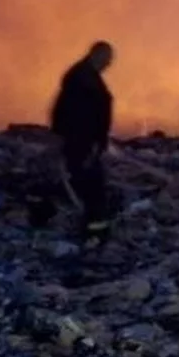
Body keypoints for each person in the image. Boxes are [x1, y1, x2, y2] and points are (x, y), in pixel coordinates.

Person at [41, 40, 117, 243]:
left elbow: (62, 111)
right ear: (96, 55)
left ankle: (47, 212)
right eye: (106, 59)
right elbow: (81, 114)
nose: (108, 64)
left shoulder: (83, 76)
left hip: (83, 141)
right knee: (92, 187)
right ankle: (94, 234)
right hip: (82, 142)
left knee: (83, 184)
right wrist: (91, 141)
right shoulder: (82, 79)